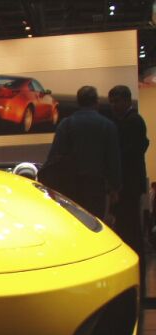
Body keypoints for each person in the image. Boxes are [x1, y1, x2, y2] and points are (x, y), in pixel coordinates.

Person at [43, 85, 121, 219]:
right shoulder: (107, 125)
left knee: (76, 223)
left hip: (71, 185)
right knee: (96, 224)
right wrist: (115, 187)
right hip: (96, 185)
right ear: (96, 102)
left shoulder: (66, 124)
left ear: (78, 102)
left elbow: (54, 157)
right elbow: (113, 159)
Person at [108, 84, 149, 289]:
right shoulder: (131, 121)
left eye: (116, 101)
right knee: (131, 229)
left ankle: (135, 274)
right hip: (132, 184)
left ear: (126, 100)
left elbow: (127, 154)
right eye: (112, 102)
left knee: (131, 230)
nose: (114, 106)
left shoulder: (131, 122)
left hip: (129, 185)